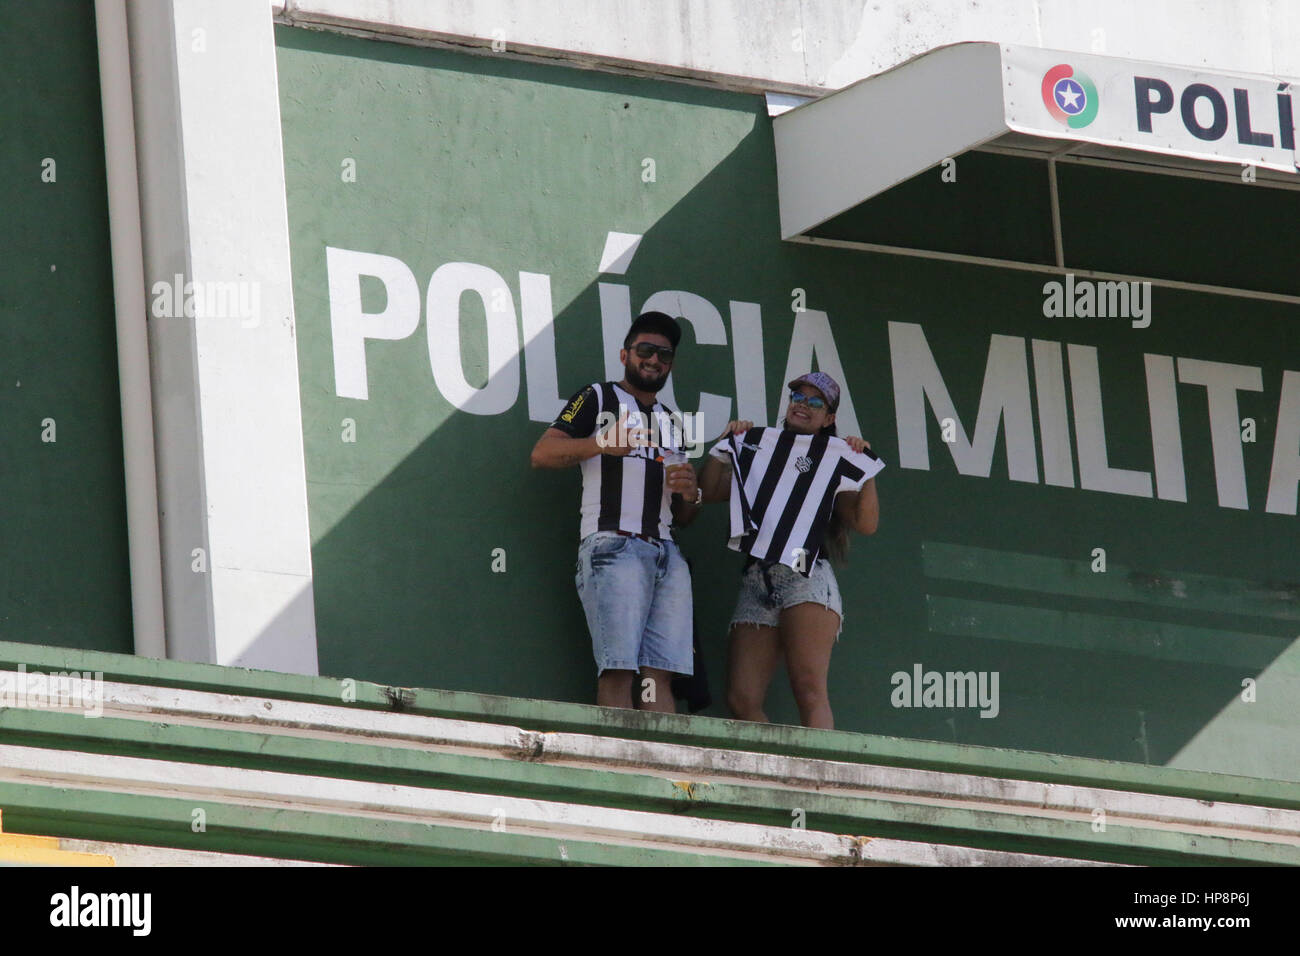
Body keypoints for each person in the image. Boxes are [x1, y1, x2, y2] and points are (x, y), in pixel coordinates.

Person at [530, 311, 701, 713]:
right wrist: (600, 444)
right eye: (645, 350)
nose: (655, 360)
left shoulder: (673, 422)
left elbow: (686, 516)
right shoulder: (596, 397)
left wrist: (691, 494)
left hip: (667, 553)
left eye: (664, 354)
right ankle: (618, 767)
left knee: (659, 674)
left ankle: (664, 771)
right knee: (619, 670)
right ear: (625, 354)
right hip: (614, 546)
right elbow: (542, 454)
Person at [697, 372, 883, 729]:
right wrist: (725, 448)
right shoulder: (756, 443)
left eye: (816, 402)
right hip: (758, 577)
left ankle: (821, 780)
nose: (803, 405)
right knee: (741, 698)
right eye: (798, 396)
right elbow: (710, 492)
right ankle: (778, 774)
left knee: (809, 689)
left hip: (807, 577)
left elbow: (865, 524)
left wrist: (867, 470)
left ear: (829, 418)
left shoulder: (837, 456)